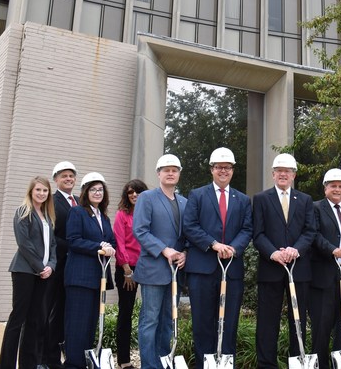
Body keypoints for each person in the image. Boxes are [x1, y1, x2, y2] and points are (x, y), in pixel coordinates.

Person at [183, 147, 253, 366]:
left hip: (231, 269)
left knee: (229, 322)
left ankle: (225, 364)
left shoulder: (242, 200)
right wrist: (213, 244)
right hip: (202, 270)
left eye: (228, 167)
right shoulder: (197, 195)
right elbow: (190, 226)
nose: (223, 171)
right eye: (219, 167)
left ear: (232, 170)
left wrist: (233, 248)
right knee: (203, 323)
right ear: (212, 169)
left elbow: (247, 229)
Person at [252, 153, 317, 369]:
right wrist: (273, 253)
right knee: (267, 321)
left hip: (299, 269)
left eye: (287, 171)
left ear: (293, 175)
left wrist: (295, 250)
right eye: (279, 170)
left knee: (297, 320)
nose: (283, 174)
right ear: (273, 174)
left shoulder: (305, 200)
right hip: (271, 268)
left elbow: (310, 231)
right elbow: (258, 234)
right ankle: (266, 364)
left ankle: (297, 362)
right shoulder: (261, 199)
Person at [133, 154, 188, 369]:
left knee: (168, 320)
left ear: (179, 174)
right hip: (153, 269)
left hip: (176, 270)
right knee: (150, 321)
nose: (171, 173)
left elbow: (188, 234)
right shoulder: (147, 197)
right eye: (166, 170)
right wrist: (164, 249)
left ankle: (164, 361)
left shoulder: (185, 202)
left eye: (175, 169)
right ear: (159, 173)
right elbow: (140, 230)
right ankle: (149, 365)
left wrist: (185, 252)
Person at [0, 176, 57, 369]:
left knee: (34, 321)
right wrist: (41, 268)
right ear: (31, 191)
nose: (41, 193)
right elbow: (24, 244)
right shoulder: (23, 211)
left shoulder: (48, 216)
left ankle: (28, 365)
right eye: (38, 190)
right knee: (18, 319)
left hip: (44, 274)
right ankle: (6, 365)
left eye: (45, 190)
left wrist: (51, 266)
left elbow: (53, 246)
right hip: (25, 272)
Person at [63, 172, 116, 369]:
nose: (97, 193)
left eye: (100, 189)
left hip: (97, 278)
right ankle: (73, 364)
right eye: (93, 189)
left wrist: (109, 247)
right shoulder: (78, 212)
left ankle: (84, 363)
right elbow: (73, 240)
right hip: (79, 278)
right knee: (77, 325)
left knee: (91, 324)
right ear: (85, 192)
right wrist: (99, 247)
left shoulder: (104, 217)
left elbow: (111, 241)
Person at [310, 168, 341, 369]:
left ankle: (339, 362)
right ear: (325, 189)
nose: (337, 189)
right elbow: (313, 235)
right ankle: (320, 365)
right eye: (333, 186)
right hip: (325, 274)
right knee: (322, 324)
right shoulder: (316, 208)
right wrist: (331, 250)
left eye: (340, 186)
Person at [44, 160, 78, 369]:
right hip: (58, 266)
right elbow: (52, 235)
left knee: (66, 312)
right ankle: (49, 358)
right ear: (56, 179)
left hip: (74, 268)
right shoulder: (53, 202)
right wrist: (75, 245)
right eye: (64, 176)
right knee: (52, 314)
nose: (68, 179)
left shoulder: (79, 201)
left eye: (71, 176)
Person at [114, 179, 148, 369]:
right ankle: (124, 361)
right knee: (125, 313)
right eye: (130, 193)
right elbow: (119, 242)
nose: (134, 195)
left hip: (147, 267)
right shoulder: (122, 215)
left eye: (138, 192)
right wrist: (127, 270)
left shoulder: (148, 214)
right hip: (127, 269)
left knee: (149, 314)